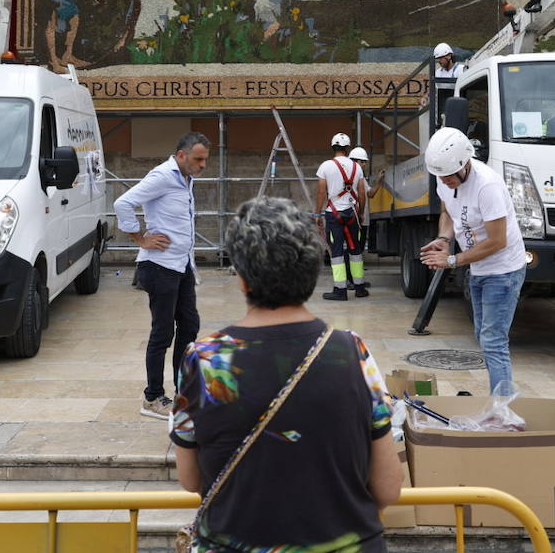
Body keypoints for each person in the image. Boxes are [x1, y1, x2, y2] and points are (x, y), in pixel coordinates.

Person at [170, 197, 401, 552]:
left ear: (243, 279)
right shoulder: (352, 352)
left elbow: (190, 479)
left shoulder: (203, 360)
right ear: (310, 272)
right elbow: (388, 487)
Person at [419, 127, 526, 395]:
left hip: (503, 270)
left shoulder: (487, 185)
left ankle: (503, 408)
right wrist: (444, 239)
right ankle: (502, 397)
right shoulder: (444, 176)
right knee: (483, 335)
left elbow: (497, 240)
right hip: (478, 268)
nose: (444, 182)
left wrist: (453, 260)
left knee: (493, 341)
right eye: (440, 177)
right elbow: (447, 211)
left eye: (448, 177)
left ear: (465, 163)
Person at [114, 131, 210, 420]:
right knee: (163, 332)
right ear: (181, 156)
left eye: (205, 159)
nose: (203, 165)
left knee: (190, 326)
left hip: (181, 266)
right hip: (160, 267)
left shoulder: (185, 177)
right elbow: (123, 203)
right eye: (198, 159)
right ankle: (153, 398)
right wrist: (140, 238)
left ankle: (183, 391)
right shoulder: (163, 176)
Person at [316, 133, 368, 301]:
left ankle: (340, 290)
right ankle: (359, 288)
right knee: (355, 250)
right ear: (347, 148)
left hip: (334, 215)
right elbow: (362, 193)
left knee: (337, 251)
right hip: (352, 214)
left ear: (332, 147)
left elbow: (321, 192)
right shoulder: (357, 167)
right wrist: (360, 213)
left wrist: (318, 213)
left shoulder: (325, 166)